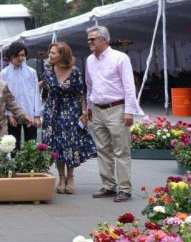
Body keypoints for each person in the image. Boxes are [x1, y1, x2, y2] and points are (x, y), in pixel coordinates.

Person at [85, 25, 138, 203]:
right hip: (98, 110)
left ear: (104, 40)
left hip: (117, 108)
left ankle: (124, 189)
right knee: (102, 150)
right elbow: (89, 85)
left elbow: (129, 87)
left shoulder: (120, 58)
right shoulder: (89, 60)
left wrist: (129, 111)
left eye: (92, 39)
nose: (89, 42)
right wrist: (90, 108)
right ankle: (108, 186)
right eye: (89, 39)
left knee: (121, 150)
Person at [41, 42, 96, 195]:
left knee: (70, 144)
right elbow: (40, 86)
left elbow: (81, 95)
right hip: (52, 112)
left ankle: (71, 177)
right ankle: (61, 177)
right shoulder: (48, 71)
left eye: (53, 53)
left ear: (62, 55)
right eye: (50, 52)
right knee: (57, 146)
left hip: (71, 111)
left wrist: (85, 114)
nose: (50, 56)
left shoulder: (75, 71)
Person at [0, 42, 43, 150]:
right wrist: (9, 115)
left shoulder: (32, 72)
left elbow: (36, 94)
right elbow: (4, 97)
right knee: (14, 147)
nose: (20, 58)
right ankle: (16, 167)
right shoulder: (4, 73)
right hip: (13, 115)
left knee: (31, 147)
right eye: (17, 55)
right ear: (10, 56)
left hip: (30, 114)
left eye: (23, 55)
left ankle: (31, 168)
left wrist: (37, 116)